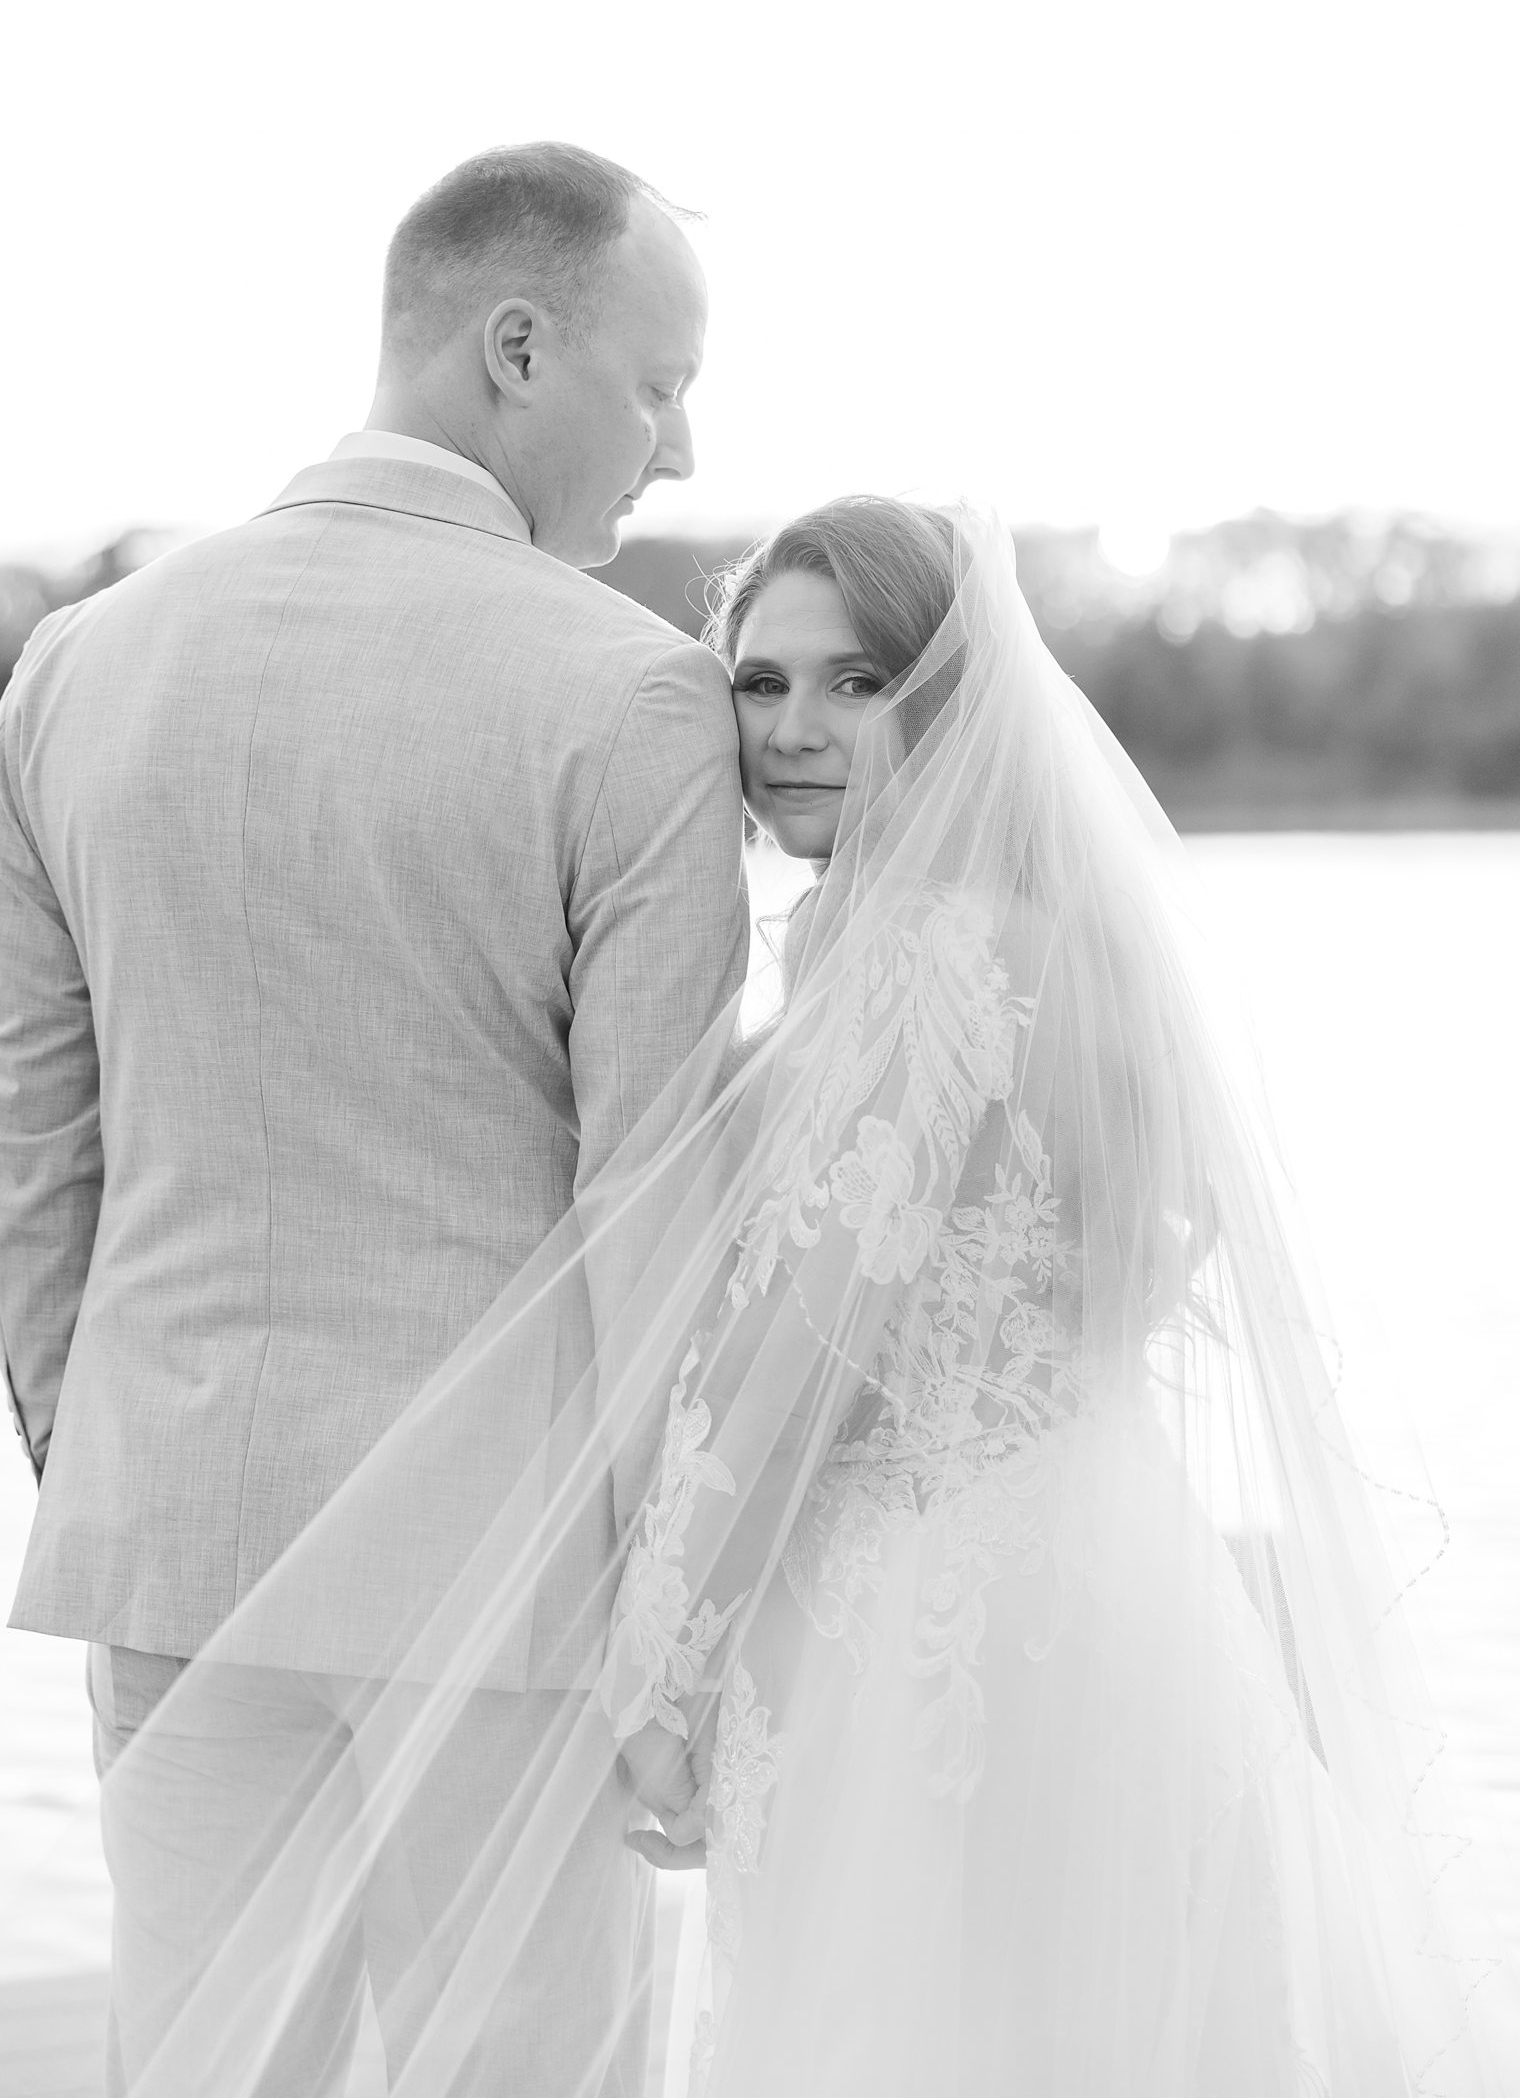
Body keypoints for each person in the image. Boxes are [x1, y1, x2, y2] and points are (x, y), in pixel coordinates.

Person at [21, 497, 1510, 2097]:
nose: (795, 730)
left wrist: (658, 1677)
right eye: (761, 682)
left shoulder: (930, 958)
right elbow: (1153, 1242)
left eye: (856, 684)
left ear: (948, 702)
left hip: (909, 1630)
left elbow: (782, 1362)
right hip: (1098, 1561)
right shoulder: (1054, 938)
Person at [0, 141, 748, 2096]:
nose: (672, 447)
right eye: (658, 381)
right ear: (516, 345)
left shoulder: (72, 672)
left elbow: (32, 1147)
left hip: (169, 1541)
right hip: (502, 1578)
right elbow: (647, 1202)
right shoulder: (638, 695)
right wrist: (664, 1616)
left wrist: (109, 1450)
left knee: (200, 2070)